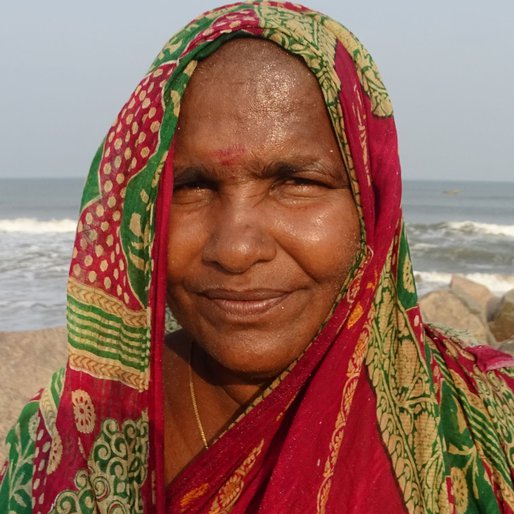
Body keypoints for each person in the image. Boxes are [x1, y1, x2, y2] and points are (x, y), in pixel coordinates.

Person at [2, 2, 514, 512]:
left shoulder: (488, 422)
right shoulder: (64, 440)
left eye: (296, 182)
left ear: (372, 205)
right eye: (193, 186)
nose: (236, 250)